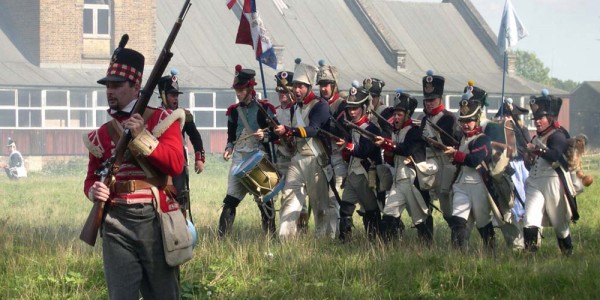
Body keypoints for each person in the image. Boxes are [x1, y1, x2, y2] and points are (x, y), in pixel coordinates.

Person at [83, 35, 185, 299]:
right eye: (108, 85)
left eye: (116, 85)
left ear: (136, 84)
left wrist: (143, 138)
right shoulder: (102, 134)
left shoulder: (162, 119)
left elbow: (175, 164)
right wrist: (94, 192)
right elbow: (91, 178)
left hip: (155, 218)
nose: (110, 91)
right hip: (115, 219)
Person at [274, 58, 337, 239]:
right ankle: (285, 238)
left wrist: (289, 130)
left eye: (301, 86)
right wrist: (284, 135)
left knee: (320, 206)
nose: (297, 90)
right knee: (289, 198)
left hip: (316, 159)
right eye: (295, 86)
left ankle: (323, 241)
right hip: (298, 158)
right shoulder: (295, 108)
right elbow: (294, 136)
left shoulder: (321, 106)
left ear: (309, 87)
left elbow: (313, 129)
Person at [218, 64, 277, 237]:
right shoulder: (234, 112)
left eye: (242, 90)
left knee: (264, 201)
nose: (238, 94)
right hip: (238, 159)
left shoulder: (265, 109)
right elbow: (231, 137)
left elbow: (276, 134)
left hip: (258, 158)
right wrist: (228, 148)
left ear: (250, 88)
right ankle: (222, 238)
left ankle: (270, 237)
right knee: (230, 200)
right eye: (237, 90)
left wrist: (264, 136)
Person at [376, 90, 433, 245]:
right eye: (395, 114)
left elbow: (405, 149)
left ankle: (428, 248)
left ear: (407, 115)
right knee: (388, 215)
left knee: (420, 220)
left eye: (400, 114)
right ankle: (387, 249)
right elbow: (395, 157)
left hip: (412, 181)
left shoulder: (414, 132)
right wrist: (388, 153)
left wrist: (387, 144)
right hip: (399, 181)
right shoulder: (396, 132)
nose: (396, 117)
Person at [523, 89, 574, 256]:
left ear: (550, 119)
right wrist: (528, 158)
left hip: (553, 181)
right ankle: (531, 256)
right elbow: (531, 164)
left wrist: (536, 150)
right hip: (535, 182)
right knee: (530, 219)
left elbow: (555, 155)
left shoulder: (557, 135)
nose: (537, 122)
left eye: (541, 118)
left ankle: (567, 253)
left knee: (560, 224)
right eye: (536, 119)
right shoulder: (535, 138)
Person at [443, 87, 495, 251]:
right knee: (457, 221)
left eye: (469, 120)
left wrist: (456, 155)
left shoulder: (483, 139)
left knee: (483, 223)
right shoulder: (463, 139)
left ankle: (490, 252)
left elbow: (474, 160)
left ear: (477, 118)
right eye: (463, 121)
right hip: (462, 185)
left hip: (479, 186)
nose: (465, 124)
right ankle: (458, 256)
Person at [336, 82, 383, 242]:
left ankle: (375, 241)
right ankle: (344, 241)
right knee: (345, 209)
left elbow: (364, 151)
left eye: (355, 108)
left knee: (371, 210)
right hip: (352, 173)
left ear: (364, 108)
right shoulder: (350, 127)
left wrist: (347, 146)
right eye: (350, 108)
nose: (352, 111)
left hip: (365, 173)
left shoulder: (371, 129)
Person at [158, 69, 205, 217]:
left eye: (176, 95)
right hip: (159, 161)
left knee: (181, 197)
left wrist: (199, 158)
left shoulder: (184, 115)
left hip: (178, 161)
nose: (175, 98)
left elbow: (195, 137)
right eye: (172, 95)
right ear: (163, 95)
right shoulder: (155, 114)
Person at [419, 70, 462, 230]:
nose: (429, 103)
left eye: (432, 99)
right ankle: (426, 238)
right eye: (426, 100)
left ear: (440, 99)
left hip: (444, 163)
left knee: (446, 203)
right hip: (428, 164)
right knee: (424, 202)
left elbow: (454, 142)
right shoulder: (424, 119)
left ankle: (456, 233)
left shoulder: (449, 118)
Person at [487, 97, 531, 250]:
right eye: (504, 114)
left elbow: (524, 147)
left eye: (508, 114)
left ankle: (528, 238)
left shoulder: (520, 129)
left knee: (521, 201)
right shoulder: (498, 128)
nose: (505, 117)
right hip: (505, 166)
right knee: (509, 202)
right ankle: (515, 240)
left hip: (519, 167)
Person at [316, 59, 345, 234]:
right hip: (322, 155)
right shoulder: (319, 105)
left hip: (339, 155)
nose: (323, 88)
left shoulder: (341, 104)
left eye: (327, 84)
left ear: (334, 85)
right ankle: (326, 233)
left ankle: (338, 233)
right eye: (321, 85)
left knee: (336, 197)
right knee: (323, 198)